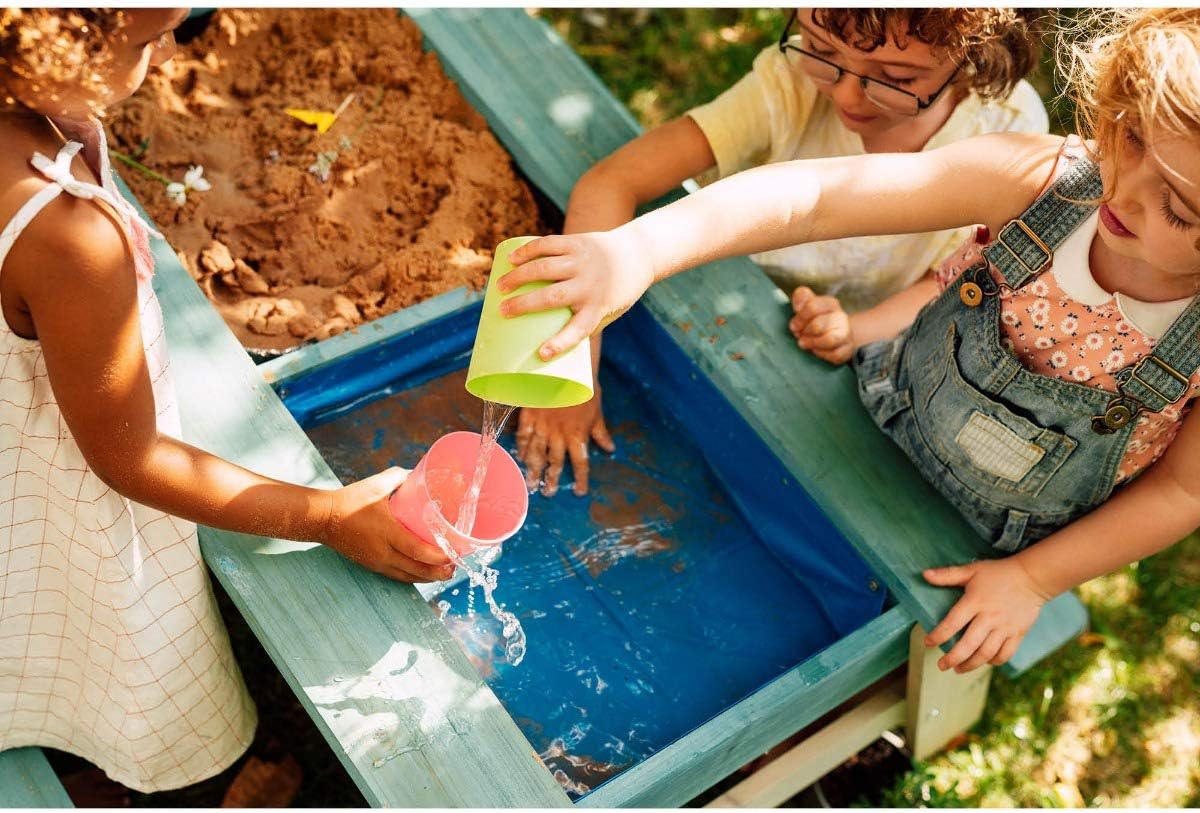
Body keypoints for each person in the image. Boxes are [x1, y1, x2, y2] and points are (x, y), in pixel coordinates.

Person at [499, 8, 1200, 673]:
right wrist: (638, 249)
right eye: (1130, 135)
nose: (1123, 190)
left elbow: (1180, 491)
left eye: (1178, 207)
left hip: (1000, 538)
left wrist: (1033, 579)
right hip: (878, 406)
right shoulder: (1041, 180)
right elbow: (815, 198)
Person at [0, 8, 453, 796]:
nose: (170, 51)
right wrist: (329, 515)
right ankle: (137, 780)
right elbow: (128, 457)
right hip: (54, 493)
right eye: (150, 39)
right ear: (59, 50)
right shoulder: (69, 234)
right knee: (86, 642)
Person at [517, 8, 1048, 497]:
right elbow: (612, 182)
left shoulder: (1006, 128)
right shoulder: (789, 85)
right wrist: (570, 372)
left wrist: (858, 330)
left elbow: (953, 276)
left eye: (896, 78)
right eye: (821, 50)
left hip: (836, 347)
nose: (847, 96)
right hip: (719, 292)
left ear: (974, 58)